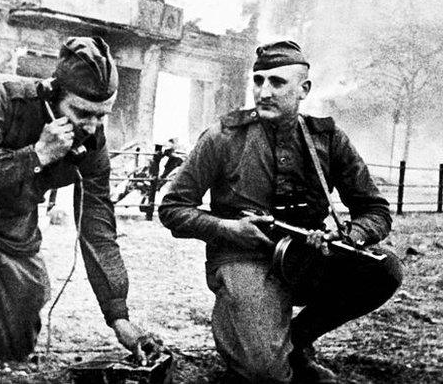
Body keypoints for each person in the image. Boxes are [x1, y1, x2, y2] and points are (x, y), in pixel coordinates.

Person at [0, 37, 162, 373]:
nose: (90, 127)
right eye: (81, 112)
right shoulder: (2, 95)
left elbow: (98, 227)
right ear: (52, 96)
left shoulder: (93, 143)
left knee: (11, 346)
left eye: (101, 116)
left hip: (9, 225)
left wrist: (118, 316)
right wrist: (36, 156)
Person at [158, 40, 403, 383]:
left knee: (384, 270)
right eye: (258, 81)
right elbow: (172, 209)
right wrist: (229, 229)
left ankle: (296, 342)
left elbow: (375, 209)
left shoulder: (329, 140)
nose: (264, 92)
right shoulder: (223, 138)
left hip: (306, 258)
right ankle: (261, 343)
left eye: (277, 82)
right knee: (264, 373)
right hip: (244, 258)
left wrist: (347, 236)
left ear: (304, 89)